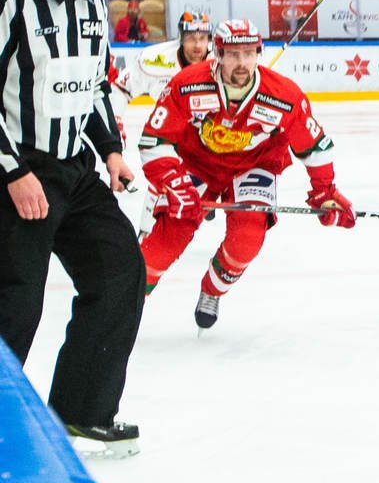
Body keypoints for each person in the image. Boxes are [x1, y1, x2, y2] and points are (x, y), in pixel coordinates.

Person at [0, 0, 146, 457]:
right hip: (16, 169)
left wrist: (109, 148)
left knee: (119, 274)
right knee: (16, 304)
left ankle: (82, 410)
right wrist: (12, 172)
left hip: (74, 171)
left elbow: (92, 84)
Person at [137, 20, 355, 330]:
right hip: (197, 161)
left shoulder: (283, 94)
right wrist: (174, 184)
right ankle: (124, 303)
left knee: (246, 241)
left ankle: (212, 291)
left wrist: (326, 192)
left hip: (255, 164)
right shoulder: (187, 84)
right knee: (165, 241)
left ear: (259, 53)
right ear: (218, 53)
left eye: (250, 54)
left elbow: (315, 147)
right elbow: (153, 141)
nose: (242, 63)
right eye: (234, 54)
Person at [117, 9, 212, 102]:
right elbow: (120, 89)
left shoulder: (220, 60)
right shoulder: (154, 57)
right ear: (182, 39)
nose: (197, 45)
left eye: (202, 38)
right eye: (191, 38)